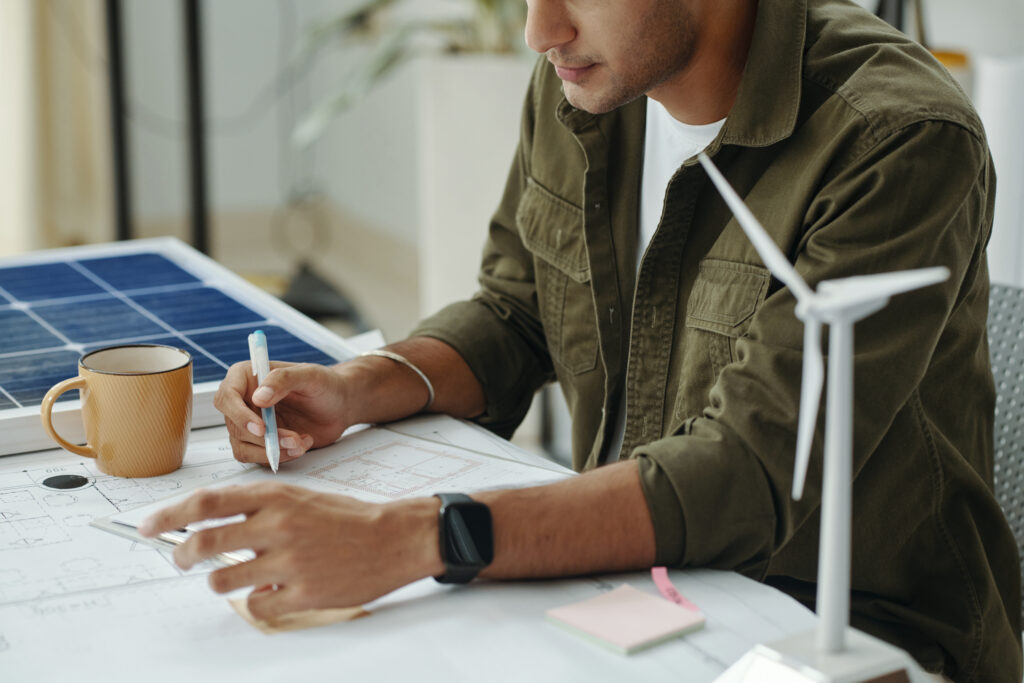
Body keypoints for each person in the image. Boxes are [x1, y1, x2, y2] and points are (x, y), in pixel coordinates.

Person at [139, 0, 1022, 679]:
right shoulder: (593, 77)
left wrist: (413, 538)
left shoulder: (897, 138)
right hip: (640, 589)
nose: (539, 31)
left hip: (853, 637)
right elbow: (518, 313)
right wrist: (359, 385)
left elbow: (749, 473)